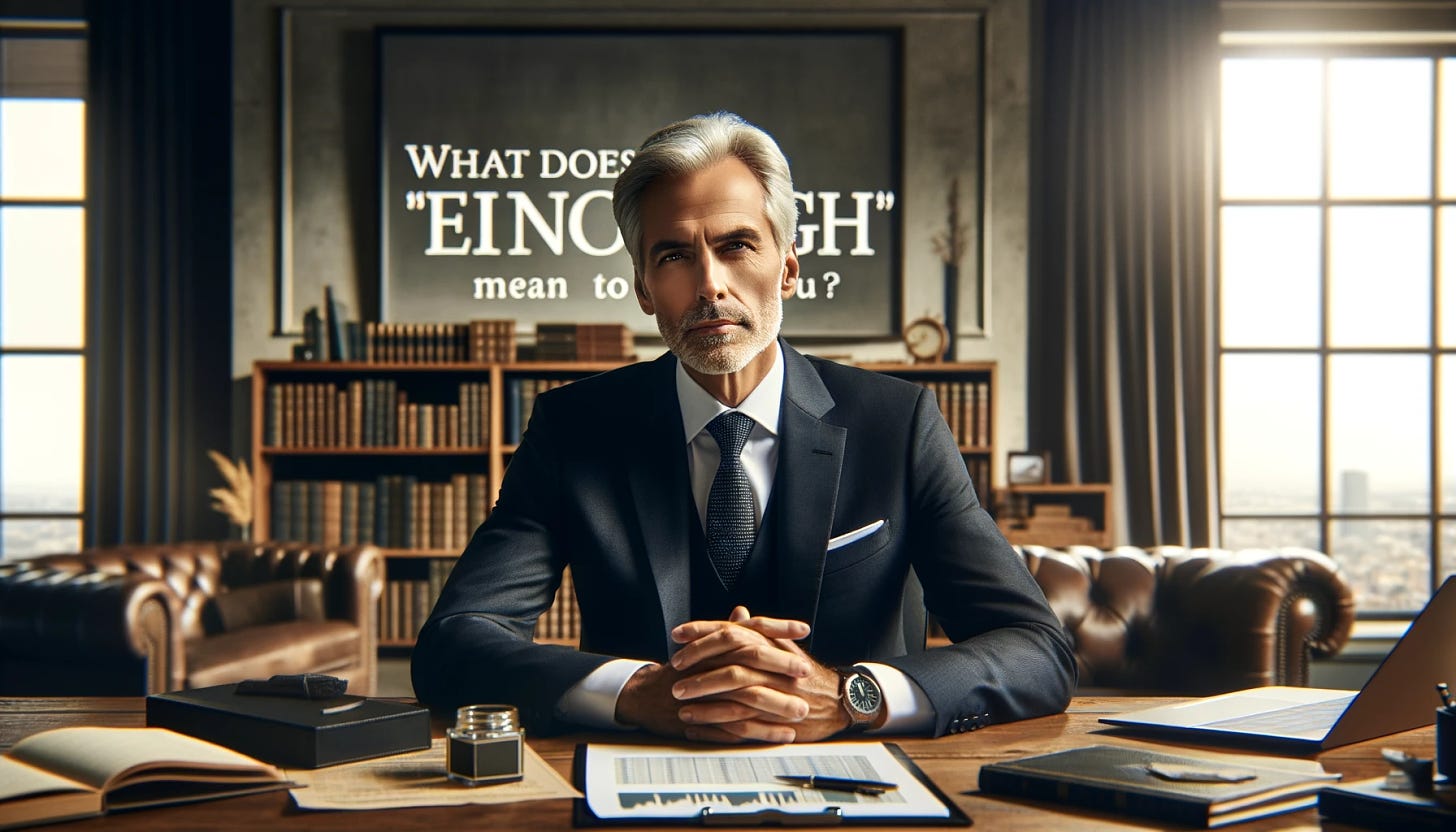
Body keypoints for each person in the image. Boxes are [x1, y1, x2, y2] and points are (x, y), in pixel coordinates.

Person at [412, 111, 1075, 742]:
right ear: (643, 288)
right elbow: (455, 640)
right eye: (673, 256)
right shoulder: (573, 428)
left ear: (787, 268)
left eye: (736, 246)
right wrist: (635, 691)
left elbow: (1035, 646)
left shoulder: (897, 423)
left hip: (866, 781)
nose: (709, 285)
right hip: (634, 778)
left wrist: (851, 696)